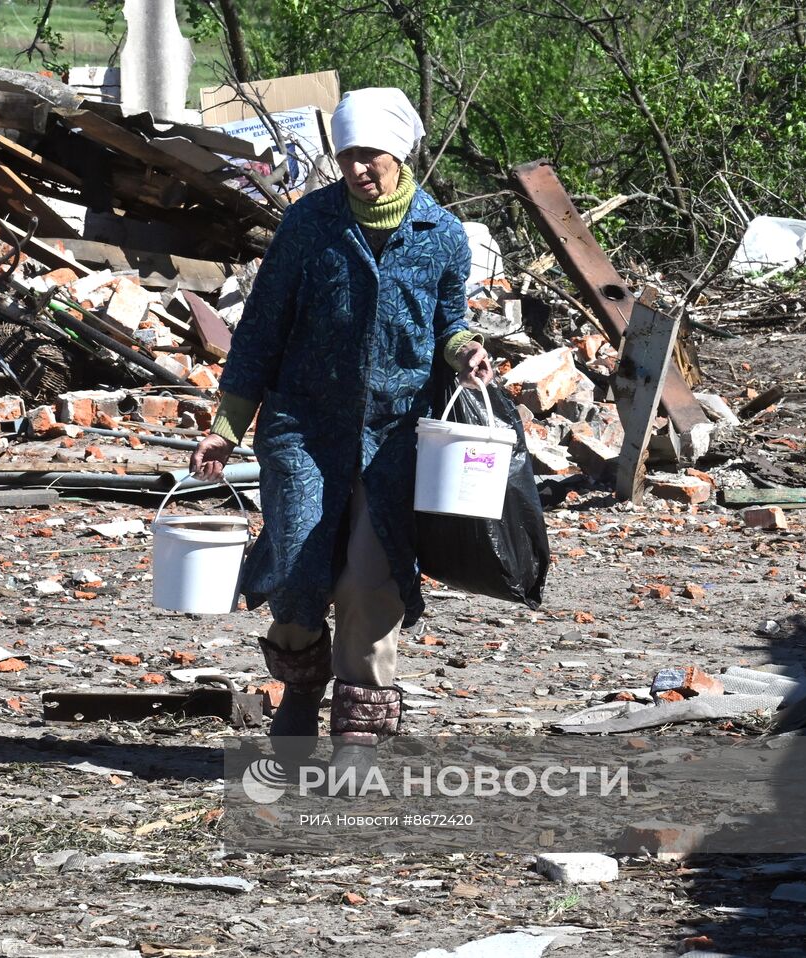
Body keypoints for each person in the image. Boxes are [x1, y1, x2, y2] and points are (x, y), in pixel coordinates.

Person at [189, 88, 495, 771]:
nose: (358, 168)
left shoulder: (440, 233)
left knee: (371, 579)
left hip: (395, 435)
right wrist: (226, 427)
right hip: (304, 426)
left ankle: (358, 732)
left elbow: (449, 322)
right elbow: (262, 328)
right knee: (297, 564)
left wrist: (465, 350)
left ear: (400, 154)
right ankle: (300, 685)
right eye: (348, 154)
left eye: (371, 155)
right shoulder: (311, 225)